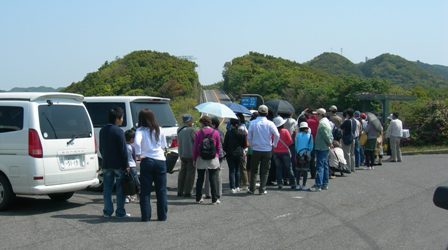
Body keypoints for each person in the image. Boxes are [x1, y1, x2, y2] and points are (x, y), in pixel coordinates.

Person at [134, 109, 168, 222]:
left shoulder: (140, 130)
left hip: (147, 160)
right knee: (161, 190)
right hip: (160, 160)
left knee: (145, 191)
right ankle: (162, 216)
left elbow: (137, 142)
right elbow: (164, 145)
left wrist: (138, 155)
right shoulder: (159, 129)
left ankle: (146, 216)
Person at [99, 107, 130, 218]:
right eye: (121, 118)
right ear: (117, 119)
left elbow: (101, 148)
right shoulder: (119, 131)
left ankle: (107, 211)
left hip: (106, 163)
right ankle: (120, 212)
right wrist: (126, 165)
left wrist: (105, 158)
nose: (122, 120)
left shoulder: (103, 130)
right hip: (118, 164)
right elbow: (123, 150)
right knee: (120, 188)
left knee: (107, 188)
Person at [247, 105, 280, 195]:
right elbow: (277, 135)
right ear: (267, 113)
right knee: (265, 170)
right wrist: (274, 145)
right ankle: (262, 189)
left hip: (256, 149)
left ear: (258, 112)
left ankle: (252, 189)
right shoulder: (270, 123)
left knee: (254, 170)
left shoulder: (253, 123)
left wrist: (251, 145)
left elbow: (249, 136)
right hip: (267, 149)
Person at [193, 116, 221, 204]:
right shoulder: (216, 132)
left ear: (202, 123)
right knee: (213, 178)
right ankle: (214, 199)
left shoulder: (198, 133)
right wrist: (216, 155)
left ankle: (198, 198)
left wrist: (194, 159)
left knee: (200, 178)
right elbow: (218, 147)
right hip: (212, 158)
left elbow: (195, 148)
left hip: (201, 158)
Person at [311, 108, 333, 192]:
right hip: (324, 147)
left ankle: (318, 185)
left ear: (320, 115)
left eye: (316, 114)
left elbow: (326, 135)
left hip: (321, 147)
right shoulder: (326, 121)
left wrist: (329, 142)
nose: (315, 116)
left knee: (320, 166)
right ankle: (324, 184)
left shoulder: (322, 123)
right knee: (325, 165)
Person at [223, 118, 247, 193]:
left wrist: (225, 151)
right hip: (239, 153)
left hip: (230, 154)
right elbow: (244, 144)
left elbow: (225, 145)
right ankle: (237, 186)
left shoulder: (228, 133)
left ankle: (232, 187)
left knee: (232, 170)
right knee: (238, 170)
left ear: (231, 124)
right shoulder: (241, 133)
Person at [272, 116, 296, 189]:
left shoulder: (273, 132)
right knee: (289, 168)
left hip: (276, 152)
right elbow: (290, 142)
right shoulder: (285, 131)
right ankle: (293, 183)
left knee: (278, 168)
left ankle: (280, 183)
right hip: (285, 151)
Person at [204, 116, 224, 199]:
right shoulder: (221, 132)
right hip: (219, 154)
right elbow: (222, 143)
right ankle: (218, 192)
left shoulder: (210, 132)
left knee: (208, 173)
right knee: (218, 174)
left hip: (210, 154)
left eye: (211, 123)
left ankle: (208, 193)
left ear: (214, 124)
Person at [177, 114, 196, 197]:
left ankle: (180, 191)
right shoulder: (191, 130)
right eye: (191, 120)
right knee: (190, 173)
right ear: (188, 121)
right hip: (190, 154)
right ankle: (188, 191)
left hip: (182, 153)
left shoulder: (179, 129)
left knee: (182, 173)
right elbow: (195, 140)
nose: (192, 122)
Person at [295, 122, 314, 191]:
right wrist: (308, 152)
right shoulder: (310, 135)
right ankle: (304, 185)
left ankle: (297, 184)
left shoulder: (297, 135)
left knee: (298, 170)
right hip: (306, 154)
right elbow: (311, 146)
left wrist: (298, 152)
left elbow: (296, 145)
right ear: (307, 128)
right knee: (305, 171)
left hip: (298, 154)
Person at [125, 129, 140, 203]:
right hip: (132, 166)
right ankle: (138, 196)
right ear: (131, 139)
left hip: (125, 167)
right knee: (136, 182)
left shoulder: (123, 147)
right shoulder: (132, 147)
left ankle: (127, 197)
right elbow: (134, 157)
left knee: (127, 182)